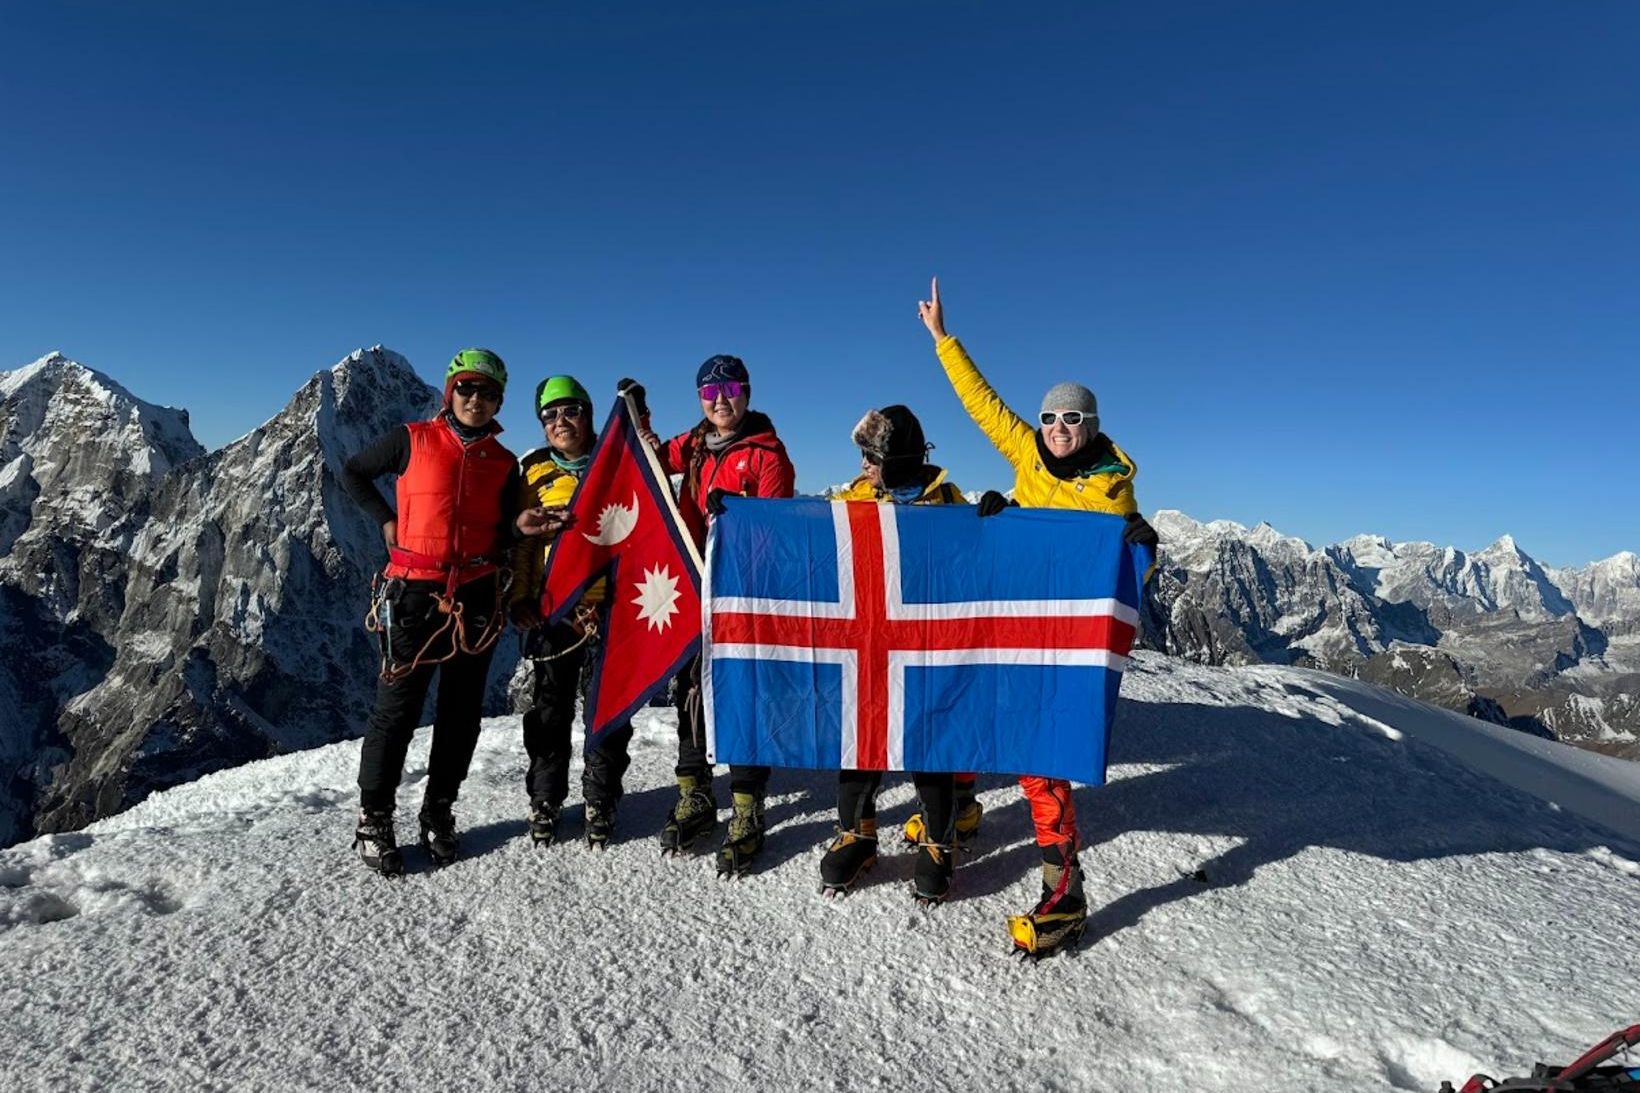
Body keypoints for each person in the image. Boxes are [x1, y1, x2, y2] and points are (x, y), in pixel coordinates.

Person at [916, 279, 1159, 955]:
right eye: (1049, 419)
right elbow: (983, 406)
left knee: (1037, 755)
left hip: (1057, 645)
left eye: (1071, 420)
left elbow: (1101, 565)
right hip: (1009, 621)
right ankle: (962, 808)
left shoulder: (1112, 489)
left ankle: (1065, 891)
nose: (1056, 430)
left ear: (1093, 425)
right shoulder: (1027, 452)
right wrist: (943, 339)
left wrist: (1136, 545)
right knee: (970, 702)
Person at [342, 348, 564, 876]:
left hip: (477, 595)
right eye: (467, 388)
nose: (476, 400)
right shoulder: (412, 438)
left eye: (488, 393)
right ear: (451, 391)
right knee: (396, 709)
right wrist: (384, 521)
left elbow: (506, 529)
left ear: (498, 402)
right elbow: (354, 472)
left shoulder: (504, 463)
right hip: (415, 592)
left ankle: (438, 809)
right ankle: (374, 817)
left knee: (461, 715)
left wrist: (520, 529)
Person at [632, 354, 796, 876]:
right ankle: (695, 791)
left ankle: (747, 804)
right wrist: (637, 415)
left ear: (746, 393)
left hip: (740, 596)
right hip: (692, 589)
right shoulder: (696, 443)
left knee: (741, 693)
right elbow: (653, 460)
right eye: (710, 391)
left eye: (730, 389)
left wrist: (740, 526)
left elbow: (776, 528)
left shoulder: (769, 455)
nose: (720, 399)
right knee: (691, 689)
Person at [821, 404, 978, 904]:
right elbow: (818, 540)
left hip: (926, 646)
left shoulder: (948, 501)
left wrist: (994, 522)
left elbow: (976, 559)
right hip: (869, 645)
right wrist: (738, 516)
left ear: (900, 457)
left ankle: (938, 840)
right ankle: (857, 833)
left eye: (872, 454)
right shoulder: (853, 497)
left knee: (928, 739)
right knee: (861, 734)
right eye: (862, 453)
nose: (864, 463)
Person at [508, 375, 633, 850]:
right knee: (549, 711)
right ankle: (546, 799)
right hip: (552, 608)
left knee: (607, 711)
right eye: (550, 415)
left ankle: (601, 799)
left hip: (611, 607)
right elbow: (523, 547)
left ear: (588, 413)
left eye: (570, 411)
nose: (561, 422)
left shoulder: (617, 463)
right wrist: (520, 598)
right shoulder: (534, 473)